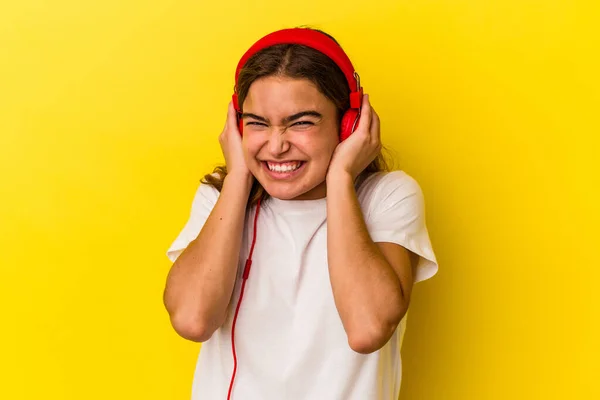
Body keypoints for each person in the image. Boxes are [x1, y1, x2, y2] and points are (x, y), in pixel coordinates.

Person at [163, 27, 438, 400]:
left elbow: (367, 328)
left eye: (302, 122)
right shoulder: (220, 197)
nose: (276, 146)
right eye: (258, 123)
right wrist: (239, 176)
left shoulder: (387, 197)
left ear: (349, 124)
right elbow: (193, 319)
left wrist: (341, 177)